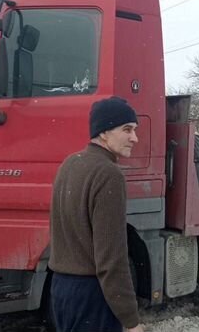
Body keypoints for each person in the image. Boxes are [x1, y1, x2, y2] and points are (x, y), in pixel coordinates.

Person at [49, 96, 144, 332]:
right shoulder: (108, 174)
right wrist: (131, 321)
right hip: (92, 295)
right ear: (104, 132)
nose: (135, 138)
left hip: (61, 289)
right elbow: (111, 260)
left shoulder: (70, 164)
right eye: (127, 129)